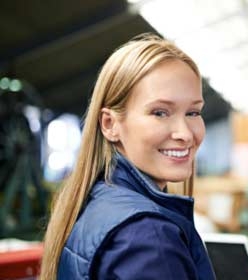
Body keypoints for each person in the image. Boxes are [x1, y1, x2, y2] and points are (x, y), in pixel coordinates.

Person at [39, 34, 215, 279]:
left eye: (193, 112)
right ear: (110, 124)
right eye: (160, 113)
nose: (185, 134)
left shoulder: (96, 198)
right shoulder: (149, 237)